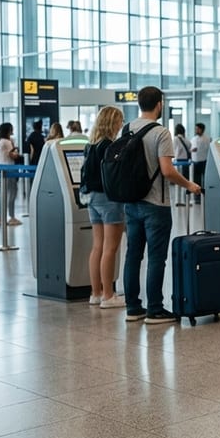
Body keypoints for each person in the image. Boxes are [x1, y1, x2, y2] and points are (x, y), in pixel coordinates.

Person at [122, 87, 202, 323]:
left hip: (131, 202)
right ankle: (155, 308)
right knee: (156, 258)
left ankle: (133, 307)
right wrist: (189, 185)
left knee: (133, 256)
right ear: (159, 104)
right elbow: (167, 171)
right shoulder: (161, 132)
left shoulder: (127, 129)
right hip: (156, 204)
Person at [85, 106, 126, 309]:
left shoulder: (91, 145)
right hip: (109, 199)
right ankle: (109, 296)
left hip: (91, 198)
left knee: (97, 246)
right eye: (120, 120)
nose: (122, 124)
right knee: (111, 248)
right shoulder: (110, 145)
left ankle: (96, 293)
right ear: (112, 122)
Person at [0, 121, 21, 225]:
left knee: (3, 194)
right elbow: (12, 155)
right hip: (10, 169)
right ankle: (12, 217)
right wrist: (17, 153)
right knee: (12, 193)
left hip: (1, 169)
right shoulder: (7, 142)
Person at [190, 123, 211, 202]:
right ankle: (198, 196)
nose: (196, 130)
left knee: (203, 180)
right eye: (196, 129)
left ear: (202, 129)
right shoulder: (195, 138)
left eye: (197, 129)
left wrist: (191, 150)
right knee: (198, 180)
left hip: (202, 161)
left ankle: (201, 196)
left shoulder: (206, 139)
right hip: (197, 162)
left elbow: (194, 149)